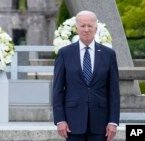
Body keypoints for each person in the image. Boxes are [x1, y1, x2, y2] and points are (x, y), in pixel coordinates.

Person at [53, 10, 120, 141]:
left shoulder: (108, 54)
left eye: (90, 26)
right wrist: (60, 119)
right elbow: (58, 90)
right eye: (82, 26)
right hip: (72, 122)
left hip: (101, 122)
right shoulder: (64, 53)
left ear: (96, 28)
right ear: (76, 28)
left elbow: (114, 91)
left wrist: (113, 121)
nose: (86, 29)